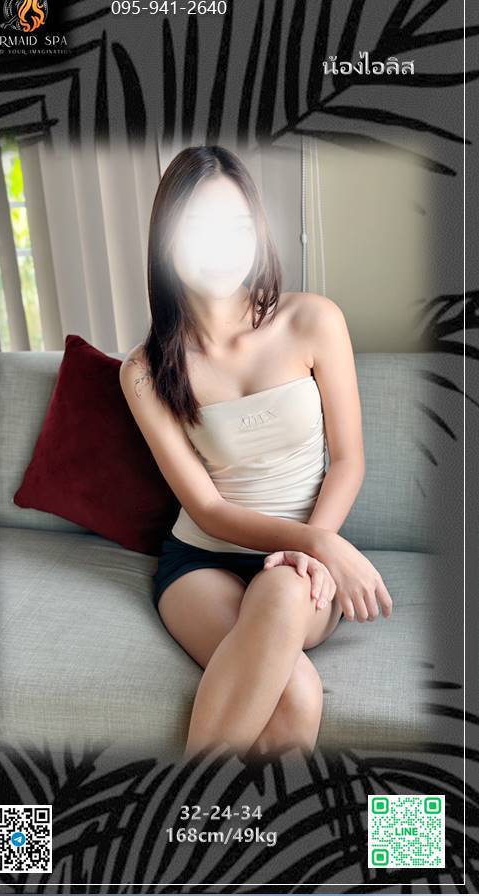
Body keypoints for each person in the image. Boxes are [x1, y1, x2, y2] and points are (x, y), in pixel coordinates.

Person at [119, 145, 393, 764]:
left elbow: (348, 460)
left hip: (306, 564)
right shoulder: (144, 370)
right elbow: (208, 509)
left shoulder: (313, 320)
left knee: (284, 592)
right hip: (201, 561)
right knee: (296, 694)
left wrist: (314, 547)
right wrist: (321, 545)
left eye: (237, 227)